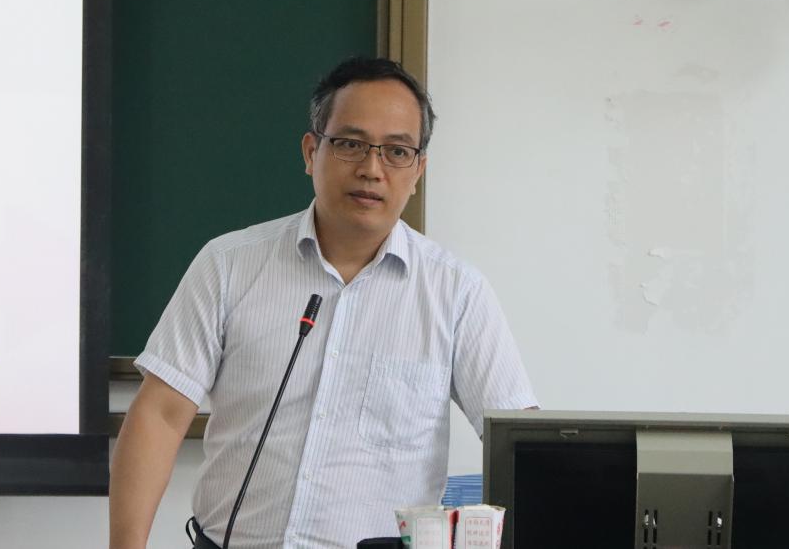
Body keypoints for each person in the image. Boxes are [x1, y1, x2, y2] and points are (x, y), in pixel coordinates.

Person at [109, 57, 536, 549]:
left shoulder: (457, 293)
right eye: (351, 144)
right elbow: (160, 415)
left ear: (418, 170)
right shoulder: (229, 265)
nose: (371, 169)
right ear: (312, 151)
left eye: (397, 151)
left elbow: (520, 448)